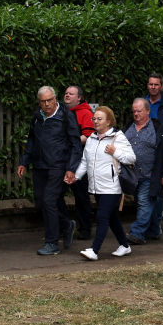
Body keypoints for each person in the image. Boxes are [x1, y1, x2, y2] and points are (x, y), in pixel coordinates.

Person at [16, 85, 82, 256]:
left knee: (49, 200)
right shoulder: (37, 117)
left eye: (49, 100)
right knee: (41, 201)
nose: (46, 104)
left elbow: (76, 144)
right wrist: (24, 161)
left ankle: (52, 242)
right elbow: (32, 140)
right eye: (43, 101)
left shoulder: (66, 116)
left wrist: (71, 168)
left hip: (58, 165)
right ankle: (66, 224)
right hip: (40, 165)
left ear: (55, 98)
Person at [73, 106, 135, 260]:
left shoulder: (118, 137)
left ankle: (94, 250)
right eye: (94, 118)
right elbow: (85, 161)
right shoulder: (91, 139)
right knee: (111, 217)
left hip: (112, 186)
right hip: (97, 186)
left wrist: (115, 152)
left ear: (108, 122)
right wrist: (76, 176)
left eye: (99, 119)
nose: (95, 121)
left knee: (102, 216)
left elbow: (131, 158)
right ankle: (125, 246)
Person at [123, 98, 163, 244]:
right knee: (151, 203)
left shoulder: (157, 129)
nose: (136, 114)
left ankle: (137, 233)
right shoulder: (128, 128)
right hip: (132, 176)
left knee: (144, 202)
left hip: (150, 175)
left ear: (148, 111)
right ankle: (154, 230)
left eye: (139, 111)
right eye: (134, 111)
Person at [62, 85, 97, 239]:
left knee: (81, 196)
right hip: (63, 159)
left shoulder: (85, 113)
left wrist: (70, 143)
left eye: (71, 94)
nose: (67, 95)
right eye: (66, 93)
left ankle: (85, 228)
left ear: (79, 98)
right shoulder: (61, 112)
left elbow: (89, 136)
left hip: (79, 160)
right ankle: (65, 226)